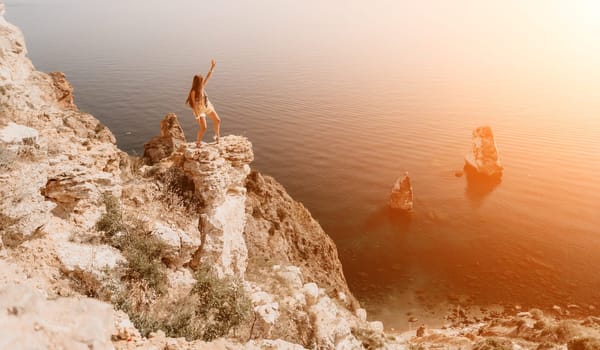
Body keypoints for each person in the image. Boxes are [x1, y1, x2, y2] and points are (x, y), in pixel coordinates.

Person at [185, 59, 221, 146]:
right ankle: (198, 142)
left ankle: (217, 136)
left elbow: (208, 76)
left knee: (217, 120)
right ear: (198, 82)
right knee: (204, 127)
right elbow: (193, 104)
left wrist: (212, 67)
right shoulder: (193, 91)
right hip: (199, 110)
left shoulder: (202, 87)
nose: (202, 81)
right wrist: (197, 116)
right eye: (201, 81)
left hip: (207, 106)